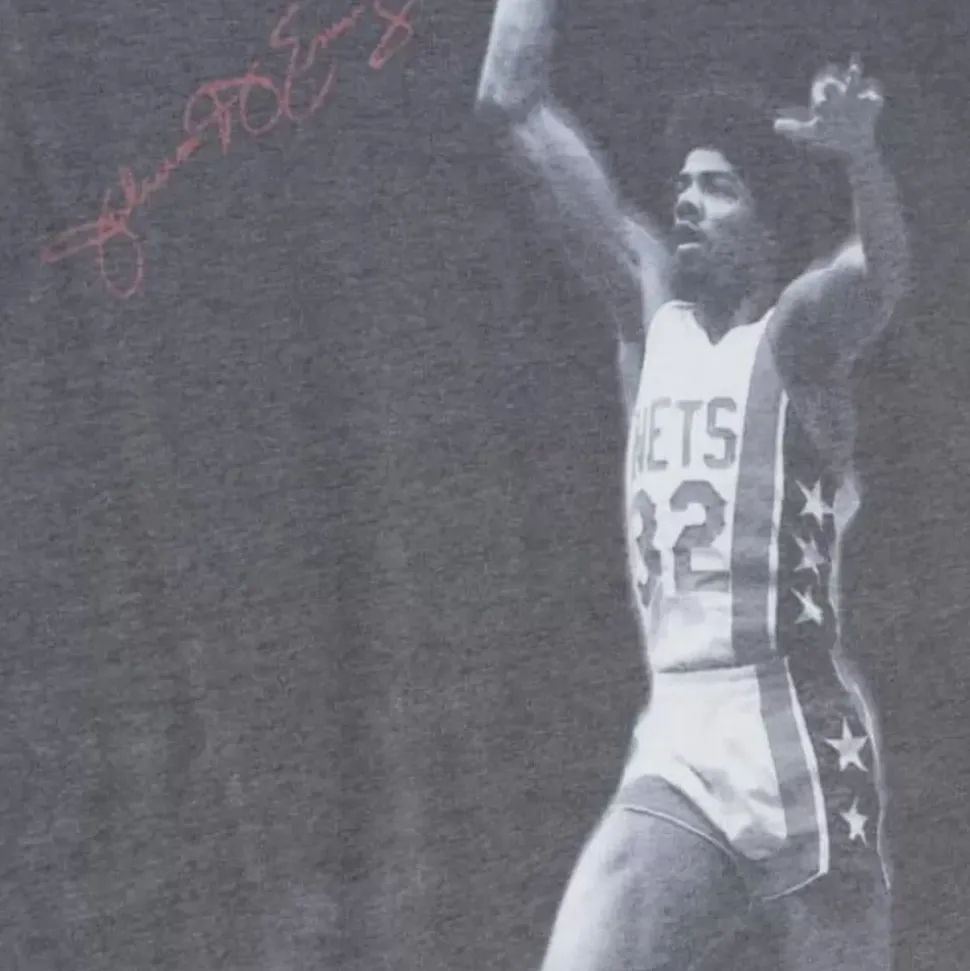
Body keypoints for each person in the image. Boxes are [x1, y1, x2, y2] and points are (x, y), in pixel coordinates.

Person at [475, 1, 910, 969]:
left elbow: (880, 277)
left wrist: (861, 161)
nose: (685, 202)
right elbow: (511, 105)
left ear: (767, 225)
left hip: (797, 726)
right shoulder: (647, 310)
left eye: (717, 187)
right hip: (679, 724)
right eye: (681, 184)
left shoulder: (796, 337)